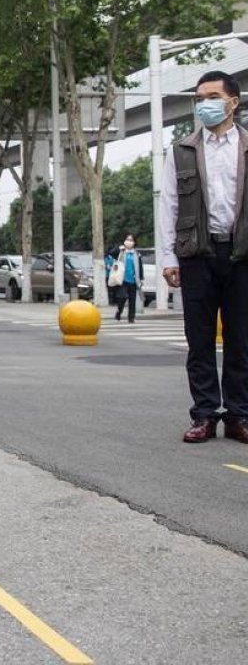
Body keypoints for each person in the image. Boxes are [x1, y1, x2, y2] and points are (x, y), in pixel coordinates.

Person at [161, 70, 247, 444]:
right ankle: (204, 414)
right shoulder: (182, 150)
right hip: (197, 254)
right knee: (199, 341)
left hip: (242, 255)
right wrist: (169, 257)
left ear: (233, 102)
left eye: (213, 97)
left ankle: (239, 415)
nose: (205, 105)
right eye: (199, 99)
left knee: (241, 341)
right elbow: (169, 205)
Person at [113, 235, 142, 323]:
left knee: (132, 300)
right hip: (123, 279)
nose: (129, 242)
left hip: (133, 279)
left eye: (131, 240)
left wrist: (141, 278)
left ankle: (131, 317)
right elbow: (111, 253)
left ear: (134, 242)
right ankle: (119, 312)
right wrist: (118, 248)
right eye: (127, 239)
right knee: (122, 297)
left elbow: (140, 267)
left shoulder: (136, 254)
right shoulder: (121, 252)